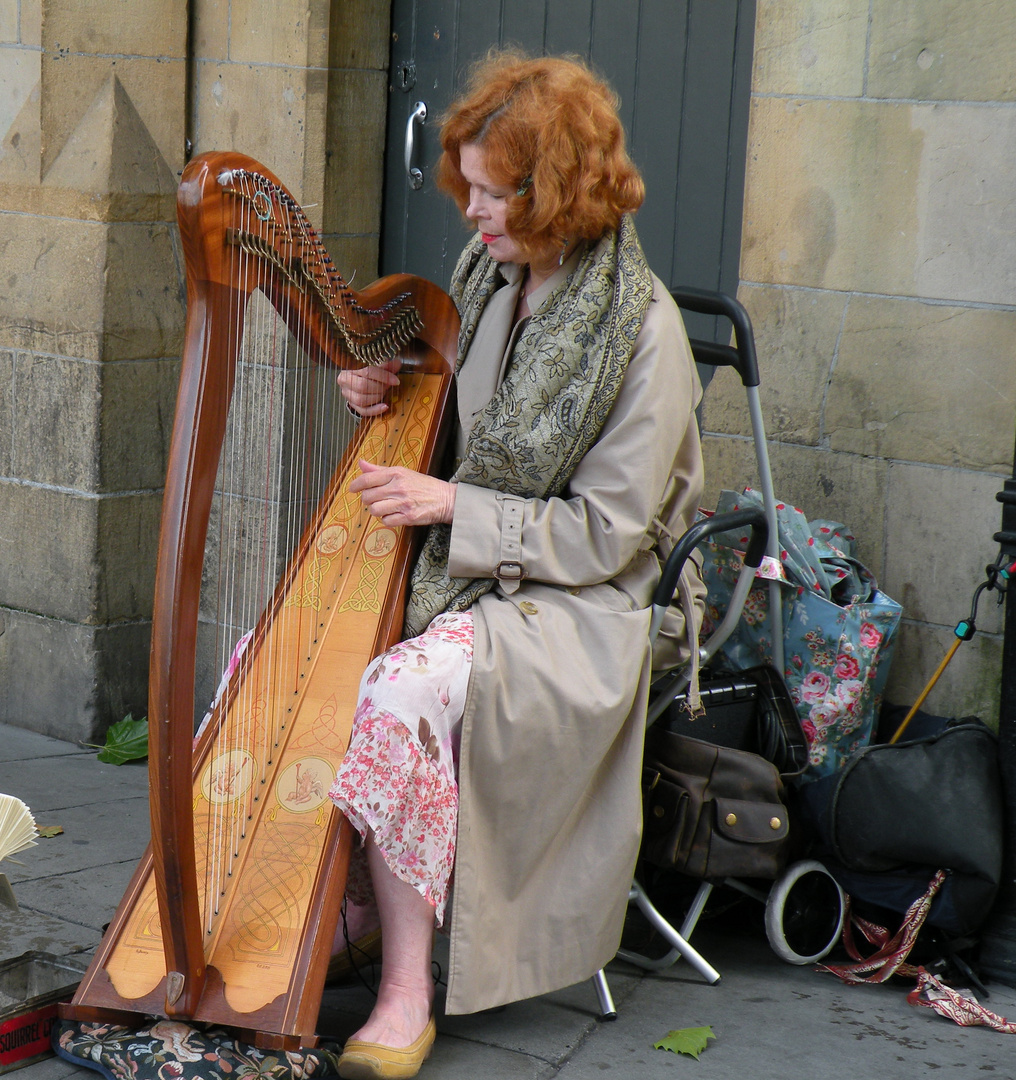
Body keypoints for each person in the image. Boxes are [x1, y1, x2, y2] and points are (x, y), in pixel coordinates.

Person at [326, 50, 707, 1080]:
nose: (473, 216)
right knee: (270, 664)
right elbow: (449, 417)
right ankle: (343, 907)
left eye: (497, 196)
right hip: (480, 572)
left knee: (402, 688)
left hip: (580, 606)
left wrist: (454, 505)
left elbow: (608, 537)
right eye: (472, 191)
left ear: (559, 193)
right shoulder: (488, 284)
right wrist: (380, 387)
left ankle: (405, 991)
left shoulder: (644, 333)